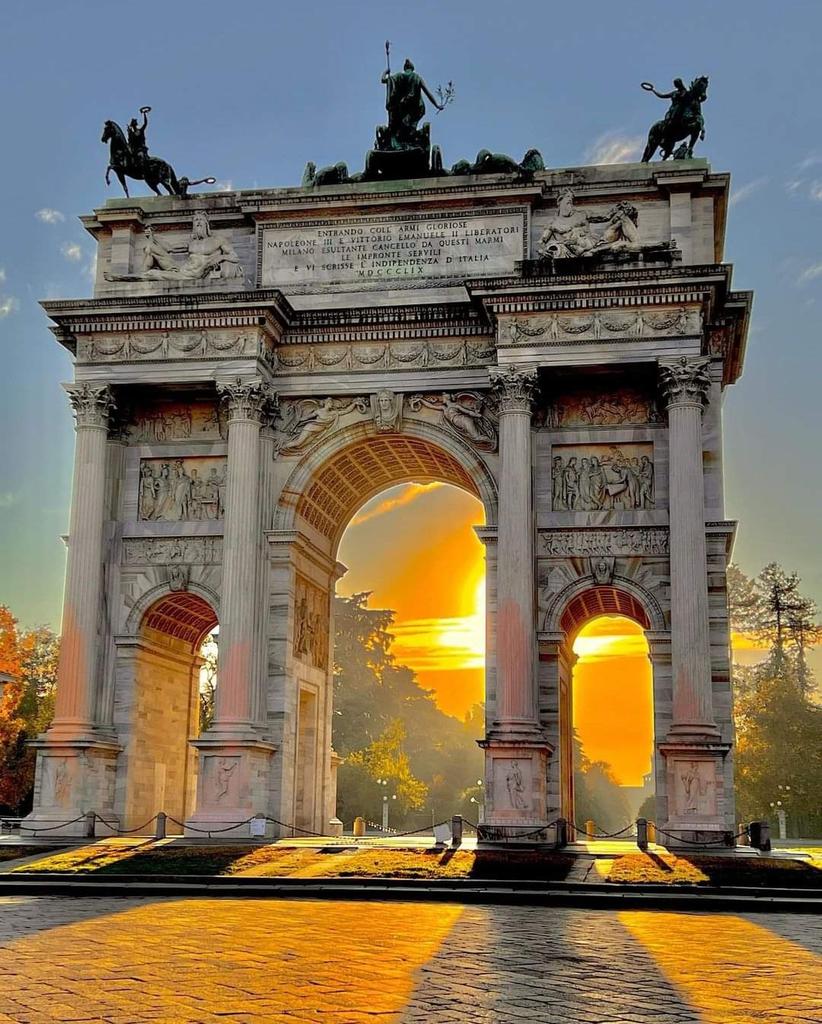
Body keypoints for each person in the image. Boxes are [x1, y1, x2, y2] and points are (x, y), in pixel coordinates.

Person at [381, 58, 443, 148]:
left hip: (402, 109)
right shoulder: (417, 77)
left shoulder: (398, 77)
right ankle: (409, 139)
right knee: (409, 125)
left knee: (402, 124)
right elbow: (428, 93)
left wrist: (386, 72)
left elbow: (383, 80)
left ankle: (402, 140)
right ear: (412, 68)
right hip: (416, 109)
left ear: (405, 68)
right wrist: (437, 105)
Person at [127, 107, 151, 171]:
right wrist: (129, 132)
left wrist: (144, 114)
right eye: (133, 125)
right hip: (134, 150)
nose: (134, 126)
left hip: (141, 149)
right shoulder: (132, 133)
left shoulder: (140, 131)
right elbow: (129, 142)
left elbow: (145, 124)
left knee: (140, 156)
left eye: (134, 124)